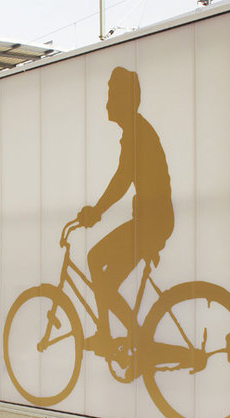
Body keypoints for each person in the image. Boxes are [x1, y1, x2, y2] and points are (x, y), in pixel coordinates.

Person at [78, 67, 174, 352]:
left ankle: (115, 337)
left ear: (124, 99)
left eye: (112, 95)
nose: (107, 103)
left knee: (96, 260)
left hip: (151, 223)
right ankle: (121, 336)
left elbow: (122, 179)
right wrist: (97, 211)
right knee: (103, 275)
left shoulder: (136, 132)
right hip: (152, 221)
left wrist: (96, 211)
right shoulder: (137, 130)